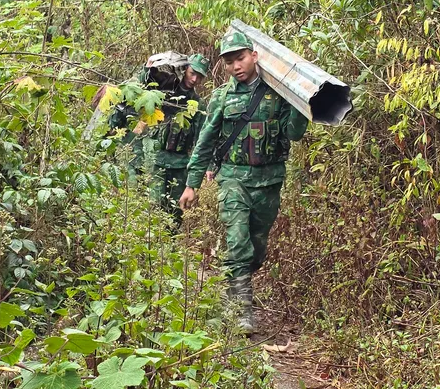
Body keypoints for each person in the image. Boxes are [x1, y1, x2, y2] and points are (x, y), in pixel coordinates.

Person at [180, 30, 309, 333]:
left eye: (240, 58)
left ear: (254, 55)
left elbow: (294, 134)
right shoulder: (222, 97)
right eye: (229, 62)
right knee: (238, 242)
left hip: (269, 180)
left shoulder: (278, 93)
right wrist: (192, 183)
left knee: (256, 248)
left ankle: (233, 288)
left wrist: (303, 102)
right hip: (234, 179)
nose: (236, 66)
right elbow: (205, 141)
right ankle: (242, 312)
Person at [107, 52, 210, 227]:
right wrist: (147, 67)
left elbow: (203, 138)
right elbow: (140, 87)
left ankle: (172, 248)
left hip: (180, 163)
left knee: (175, 212)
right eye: (192, 73)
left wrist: (207, 166)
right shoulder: (165, 90)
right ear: (185, 70)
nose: (194, 79)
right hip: (156, 160)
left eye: (199, 76)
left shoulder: (198, 105)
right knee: (152, 207)